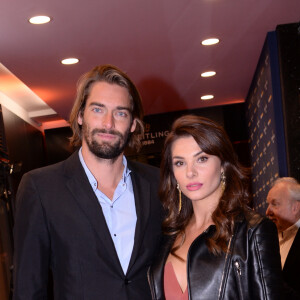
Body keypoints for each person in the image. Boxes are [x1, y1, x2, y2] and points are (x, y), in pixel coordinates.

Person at [13, 64, 162, 299]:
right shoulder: (40, 187)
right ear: (81, 116)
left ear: (133, 124)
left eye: (121, 113)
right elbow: (28, 287)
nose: (109, 123)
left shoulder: (158, 183)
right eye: (98, 110)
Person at [148, 115, 283, 300]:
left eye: (201, 159)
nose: (190, 172)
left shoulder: (253, 231)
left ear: (223, 165)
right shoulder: (168, 235)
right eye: (180, 163)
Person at [266, 177, 300, 299]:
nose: (267, 211)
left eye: (274, 204)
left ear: (295, 207)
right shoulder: (270, 242)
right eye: (268, 204)